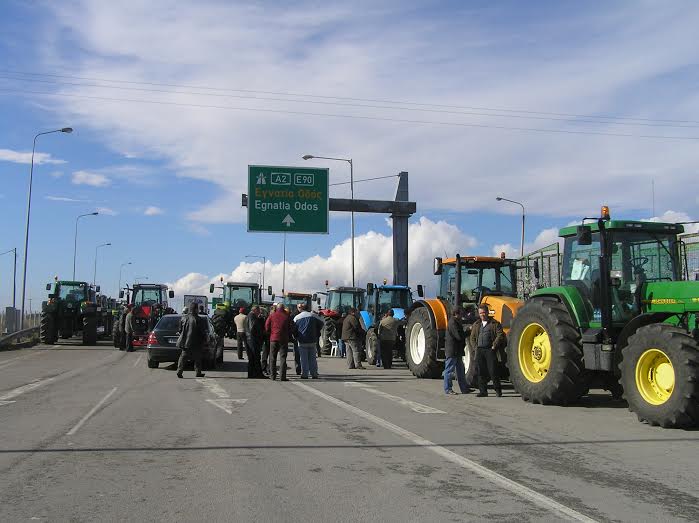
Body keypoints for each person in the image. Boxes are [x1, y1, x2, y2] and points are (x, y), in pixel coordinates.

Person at [469, 304, 505, 397]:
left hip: (490, 350)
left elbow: (500, 335)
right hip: (480, 350)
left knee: (493, 371)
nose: (482, 315)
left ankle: (498, 390)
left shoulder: (494, 323)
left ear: (487, 312)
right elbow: (472, 337)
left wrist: (494, 345)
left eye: (484, 312)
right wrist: (475, 347)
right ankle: (483, 391)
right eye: (480, 313)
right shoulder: (476, 324)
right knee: (481, 372)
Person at [176, 302, 208, 379]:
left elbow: (180, 330)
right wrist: (205, 340)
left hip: (185, 342)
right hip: (196, 342)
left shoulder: (183, 318)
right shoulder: (199, 319)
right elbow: (202, 331)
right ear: (196, 309)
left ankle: (179, 371)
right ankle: (198, 372)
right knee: (197, 358)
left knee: (183, 357)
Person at [444, 309, 470, 395]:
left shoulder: (456, 322)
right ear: (456, 314)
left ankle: (464, 389)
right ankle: (448, 389)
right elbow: (458, 336)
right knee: (449, 370)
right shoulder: (452, 323)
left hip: (457, 351)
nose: (462, 316)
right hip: (452, 351)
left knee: (460, 370)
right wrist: (468, 331)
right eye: (461, 314)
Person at [294, 303, 324, 379]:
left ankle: (305, 374)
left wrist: (296, 336)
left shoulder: (297, 317)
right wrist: (316, 331)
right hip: (312, 340)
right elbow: (322, 322)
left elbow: (294, 329)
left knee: (303, 359)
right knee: (313, 358)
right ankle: (314, 373)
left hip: (302, 340)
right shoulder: (313, 316)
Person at [265, 304, 291, 381]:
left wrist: (270, 332)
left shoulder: (272, 315)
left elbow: (267, 326)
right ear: (283, 309)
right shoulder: (287, 316)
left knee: (272, 357)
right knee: (283, 358)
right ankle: (282, 377)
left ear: (276, 308)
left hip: (273, 338)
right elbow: (290, 327)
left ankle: (273, 376)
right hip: (283, 339)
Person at [245, 306, 265, 378]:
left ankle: (252, 374)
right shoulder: (252, 316)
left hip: (250, 338)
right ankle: (257, 374)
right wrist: (260, 333)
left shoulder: (250, 316)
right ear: (255, 310)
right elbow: (253, 327)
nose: (260, 312)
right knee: (255, 357)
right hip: (253, 339)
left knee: (253, 358)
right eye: (259, 310)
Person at [289, 303, 303, 375]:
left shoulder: (306, 314)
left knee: (305, 354)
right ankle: (298, 369)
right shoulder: (293, 316)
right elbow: (291, 326)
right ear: (297, 307)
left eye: (302, 307)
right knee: (297, 354)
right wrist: (293, 335)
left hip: (304, 337)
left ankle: (306, 369)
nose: (301, 308)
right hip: (296, 337)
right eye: (300, 307)